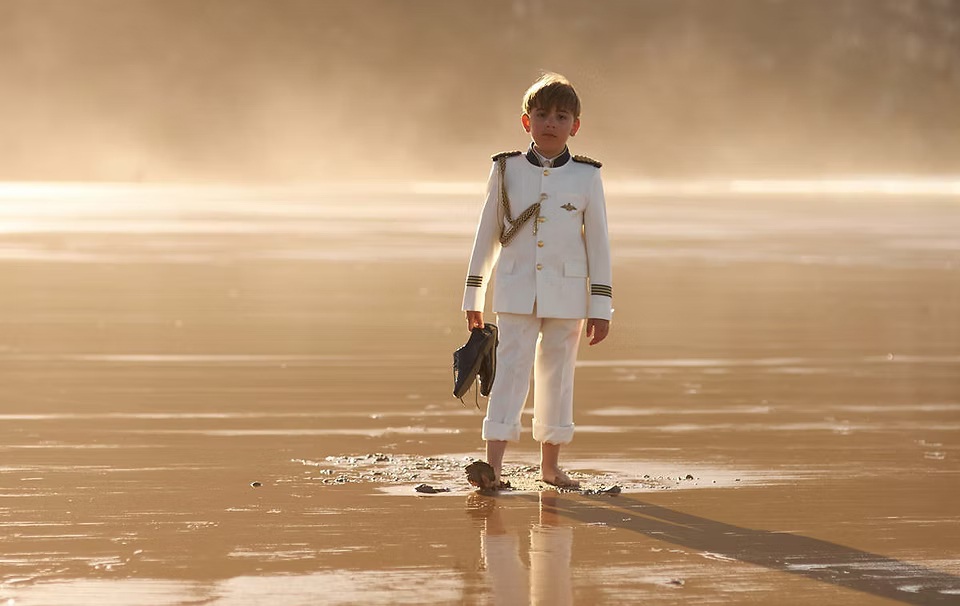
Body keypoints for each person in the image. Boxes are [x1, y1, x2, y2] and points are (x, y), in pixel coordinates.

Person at [462, 72, 612, 489]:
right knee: (509, 372)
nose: (551, 123)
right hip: (515, 290)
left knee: (558, 377)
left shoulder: (586, 177)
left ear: (575, 126)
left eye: (561, 116)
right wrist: (473, 294)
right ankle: (493, 465)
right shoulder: (505, 169)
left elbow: (599, 246)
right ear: (526, 121)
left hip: (568, 296)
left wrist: (601, 308)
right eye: (542, 115)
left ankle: (550, 467)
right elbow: (486, 234)